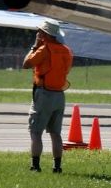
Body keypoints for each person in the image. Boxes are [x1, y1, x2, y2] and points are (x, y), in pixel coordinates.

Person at [22, 19, 73, 173]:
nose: (38, 33)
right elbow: (66, 70)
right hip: (59, 95)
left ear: (45, 34)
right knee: (55, 133)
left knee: (36, 132)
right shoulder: (66, 50)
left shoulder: (44, 49)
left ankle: (35, 166)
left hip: (44, 94)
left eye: (40, 31)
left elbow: (26, 64)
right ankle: (57, 167)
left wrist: (35, 45)